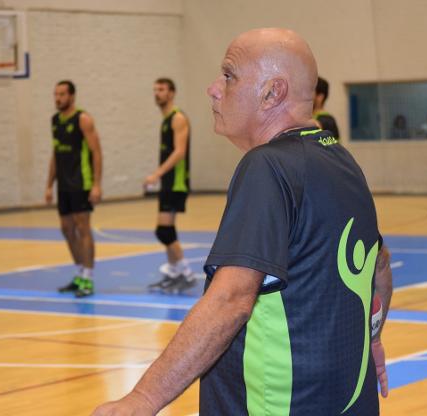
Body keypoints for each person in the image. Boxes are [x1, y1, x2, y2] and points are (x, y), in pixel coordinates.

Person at [92, 28, 393, 416]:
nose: (213, 89)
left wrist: (142, 399)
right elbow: (379, 268)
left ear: (272, 93)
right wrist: (373, 340)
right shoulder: (342, 162)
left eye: (228, 76)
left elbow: (231, 299)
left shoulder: (266, 166)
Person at [45, 80, 103, 298]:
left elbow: (96, 152)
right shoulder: (55, 121)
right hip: (64, 185)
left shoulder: (83, 119)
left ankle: (88, 277)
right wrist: (49, 184)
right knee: (66, 229)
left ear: (72, 96)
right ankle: (79, 273)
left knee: (83, 228)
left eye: (61, 94)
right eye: (55, 94)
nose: (58, 98)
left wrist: (96, 184)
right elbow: (55, 154)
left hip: (81, 183)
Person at [144, 78, 195, 293]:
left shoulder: (177, 118)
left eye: (162, 90)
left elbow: (179, 152)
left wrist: (157, 173)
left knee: (163, 231)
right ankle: (174, 272)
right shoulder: (165, 120)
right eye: (155, 89)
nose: (157, 93)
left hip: (176, 182)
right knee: (168, 229)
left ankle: (186, 272)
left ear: (172, 93)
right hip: (168, 182)